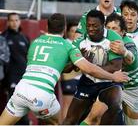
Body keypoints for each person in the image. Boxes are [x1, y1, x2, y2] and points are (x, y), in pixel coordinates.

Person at [0, 13, 129, 125]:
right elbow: (89, 69)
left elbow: (54, 65)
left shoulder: (36, 41)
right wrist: (113, 77)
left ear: (46, 27)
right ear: (65, 29)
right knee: (58, 122)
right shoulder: (67, 45)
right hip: (42, 96)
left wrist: (72, 64)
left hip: (21, 90)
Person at [63, 10, 127, 125]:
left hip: (110, 82)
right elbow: (66, 69)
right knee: (70, 120)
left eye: (94, 26)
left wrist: (90, 68)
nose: (91, 29)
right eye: (88, 26)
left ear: (103, 25)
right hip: (88, 82)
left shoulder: (113, 37)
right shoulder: (79, 42)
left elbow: (115, 65)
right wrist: (77, 62)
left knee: (115, 105)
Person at [80, 13, 138, 125]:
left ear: (123, 32)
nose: (110, 31)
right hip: (112, 84)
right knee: (94, 116)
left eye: (114, 28)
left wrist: (124, 52)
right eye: (108, 28)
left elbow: (132, 60)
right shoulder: (103, 42)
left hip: (132, 88)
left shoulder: (128, 43)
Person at [1, 12, 30, 125]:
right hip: (10, 78)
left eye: (16, 20)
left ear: (20, 21)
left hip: (24, 78)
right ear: (8, 22)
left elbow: (28, 58)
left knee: (25, 103)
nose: (14, 23)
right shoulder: (3, 37)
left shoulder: (25, 38)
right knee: (14, 105)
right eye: (12, 20)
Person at [60, 21, 82, 123]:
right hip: (69, 79)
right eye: (72, 31)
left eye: (76, 31)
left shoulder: (82, 44)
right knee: (67, 106)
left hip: (81, 79)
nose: (74, 34)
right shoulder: (65, 44)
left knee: (79, 108)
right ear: (67, 32)